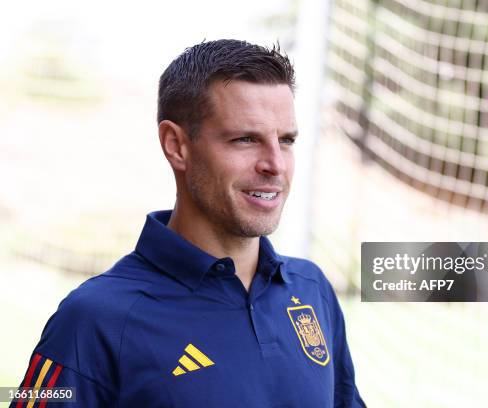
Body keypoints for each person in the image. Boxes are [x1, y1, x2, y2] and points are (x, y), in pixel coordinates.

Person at [11, 39, 365, 407]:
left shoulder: (311, 291)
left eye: (286, 140)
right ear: (176, 145)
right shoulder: (94, 318)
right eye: (245, 139)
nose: (275, 164)